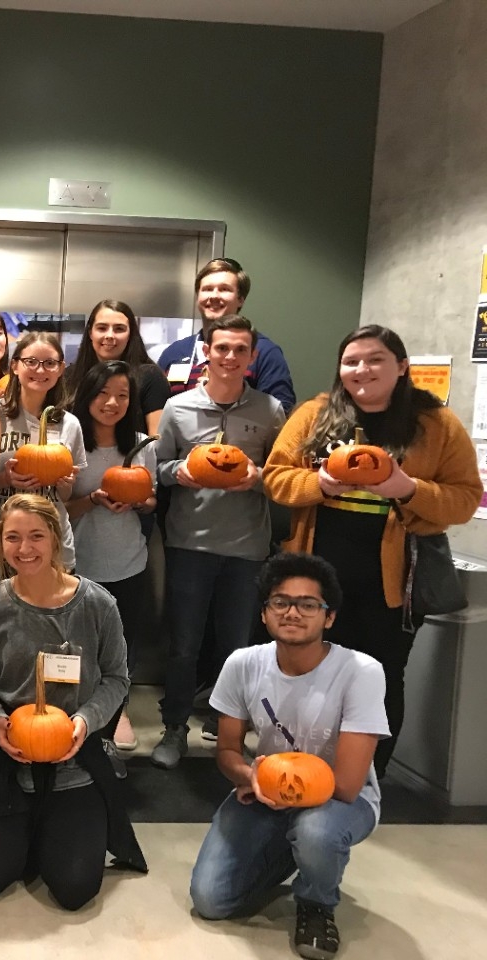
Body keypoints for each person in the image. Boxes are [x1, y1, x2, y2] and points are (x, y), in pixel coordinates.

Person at [263, 325, 480, 778]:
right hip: (317, 575)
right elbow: (275, 477)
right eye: (352, 361)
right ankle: (302, 766)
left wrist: (408, 489)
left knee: (379, 679)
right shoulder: (315, 414)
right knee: (306, 673)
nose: (362, 370)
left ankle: (364, 778)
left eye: (375, 359)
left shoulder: (437, 424)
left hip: (393, 583)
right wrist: (318, 483)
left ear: (402, 367)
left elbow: (463, 498)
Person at [190, 552, 389, 960]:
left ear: (329, 617)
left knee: (316, 830)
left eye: (308, 604)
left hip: (340, 802)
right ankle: (294, 849)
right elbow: (227, 749)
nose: (293, 612)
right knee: (211, 901)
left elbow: (349, 784)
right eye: (280, 602)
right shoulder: (243, 664)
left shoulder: (361, 671)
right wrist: (248, 777)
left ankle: (317, 904)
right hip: (266, 788)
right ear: (264, 613)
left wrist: (285, 796)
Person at [0, 494, 146, 908]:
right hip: (11, 756)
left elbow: (117, 677)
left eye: (36, 536)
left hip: (75, 761)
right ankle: (24, 829)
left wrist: (84, 721)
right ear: (0, 542)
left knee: (75, 889)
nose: (24, 549)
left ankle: (58, 826)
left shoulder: (98, 604)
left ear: (57, 539)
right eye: (13, 537)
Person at [150, 315, 285, 770]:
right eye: (221, 348)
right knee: (184, 645)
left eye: (239, 350)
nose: (229, 357)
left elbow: (285, 478)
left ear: (251, 357)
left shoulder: (269, 411)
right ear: (206, 351)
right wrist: (178, 473)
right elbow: (158, 468)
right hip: (190, 544)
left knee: (237, 648)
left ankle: (228, 735)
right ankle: (173, 730)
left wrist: (258, 477)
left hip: (247, 549)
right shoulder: (179, 407)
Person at [65, 361, 157, 770]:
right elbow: (58, 507)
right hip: (78, 569)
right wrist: (93, 501)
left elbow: (152, 498)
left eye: (122, 395)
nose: (112, 402)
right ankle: (67, 739)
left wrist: (137, 501)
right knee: (73, 659)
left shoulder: (141, 445)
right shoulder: (70, 440)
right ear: (88, 395)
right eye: (103, 393)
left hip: (128, 567)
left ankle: (104, 744)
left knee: (119, 661)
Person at [0, 331, 85, 593]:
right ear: (14, 365)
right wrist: (5, 479)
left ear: (61, 370)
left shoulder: (70, 424)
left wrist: (65, 483)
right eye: (31, 362)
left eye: (50, 363)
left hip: (52, 544)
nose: (40, 370)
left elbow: (66, 495)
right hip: (0, 543)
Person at [157, 258, 296, 412]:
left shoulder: (264, 352)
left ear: (241, 300)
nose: (214, 296)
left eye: (224, 289)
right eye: (207, 289)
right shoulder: (175, 352)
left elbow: (282, 412)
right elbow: (155, 410)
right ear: (198, 297)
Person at [63, 299, 170, 435]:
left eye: (119, 329)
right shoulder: (69, 377)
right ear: (90, 332)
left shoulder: (151, 377)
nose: (110, 335)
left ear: (130, 334)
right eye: (102, 328)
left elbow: (156, 441)